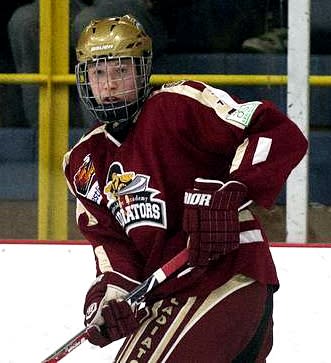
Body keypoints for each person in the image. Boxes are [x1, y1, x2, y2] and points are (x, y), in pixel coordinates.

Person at [63, 15, 308, 361]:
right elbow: (114, 255)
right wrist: (110, 306)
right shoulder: (84, 162)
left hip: (229, 274)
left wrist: (234, 190)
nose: (110, 85)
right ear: (84, 79)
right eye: (99, 73)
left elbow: (274, 131)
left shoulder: (178, 105)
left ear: (142, 71)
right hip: (171, 296)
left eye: (121, 71)